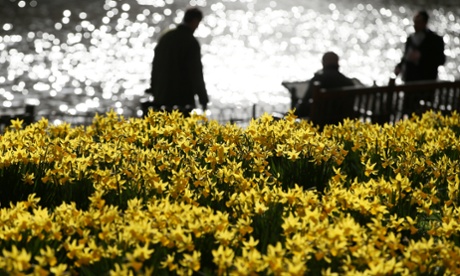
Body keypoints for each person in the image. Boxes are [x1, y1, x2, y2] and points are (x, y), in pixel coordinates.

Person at [144, 7, 209, 117]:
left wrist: (154, 88)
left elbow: (155, 65)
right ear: (195, 21)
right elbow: (196, 72)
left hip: (162, 96)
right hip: (182, 98)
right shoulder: (191, 42)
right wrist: (203, 98)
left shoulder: (166, 37)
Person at [394, 10, 446, 115]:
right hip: (409, 81)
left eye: (418, 22)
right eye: (415, 21)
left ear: (424, 23)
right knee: (407, 111)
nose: (415, 25)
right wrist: (399, 67)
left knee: (423, 113)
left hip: (425, 83)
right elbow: (405, 57)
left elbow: (441, 60)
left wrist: (421, 57)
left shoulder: (435, 40)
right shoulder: (410, 39)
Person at [293, 51, 355, 118]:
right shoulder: (348, 82)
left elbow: (305, 100)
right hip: (341, 121)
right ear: (337, 63)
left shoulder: (318, 79)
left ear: (323, 63)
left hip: (321, 122)